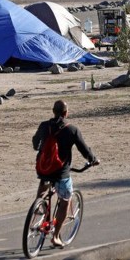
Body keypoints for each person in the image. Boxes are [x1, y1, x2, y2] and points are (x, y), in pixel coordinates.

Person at [32, 100, 99, 248]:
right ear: (66, 113)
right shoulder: (72, 130)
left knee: (45, 182)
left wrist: (41, 148)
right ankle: (55, 236)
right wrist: (93, 160)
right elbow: (84, 150)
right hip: (61, 172)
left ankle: (38, 206)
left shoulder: (44, 126)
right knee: (65, 200)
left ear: (53, 111)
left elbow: (35, 142)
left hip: (43, 168)